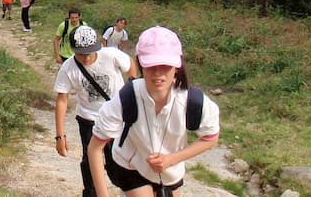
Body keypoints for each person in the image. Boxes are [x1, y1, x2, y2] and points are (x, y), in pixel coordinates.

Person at [87, 26, 220, 197]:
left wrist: (171, 159)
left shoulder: (194, 102)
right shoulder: (126, 97)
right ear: (140, 64)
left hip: (170, 171)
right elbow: (95, 148)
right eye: (151, 66)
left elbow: (211, 138)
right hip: (130, 165)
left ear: (177, 66)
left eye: (165, 66)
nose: (158, 73)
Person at [54, 26, 136, 197]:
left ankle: (128, 190)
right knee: (89, 162)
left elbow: (130, 64)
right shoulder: (68, 68)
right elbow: (62, 100)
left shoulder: (110, 55)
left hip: (116, 117)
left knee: (118, 161)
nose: (86, 58)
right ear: (73, 50)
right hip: (88, 120)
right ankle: (91, 193)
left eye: (89, 53)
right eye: (81, 54)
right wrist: (60, 136)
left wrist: (132, 87)